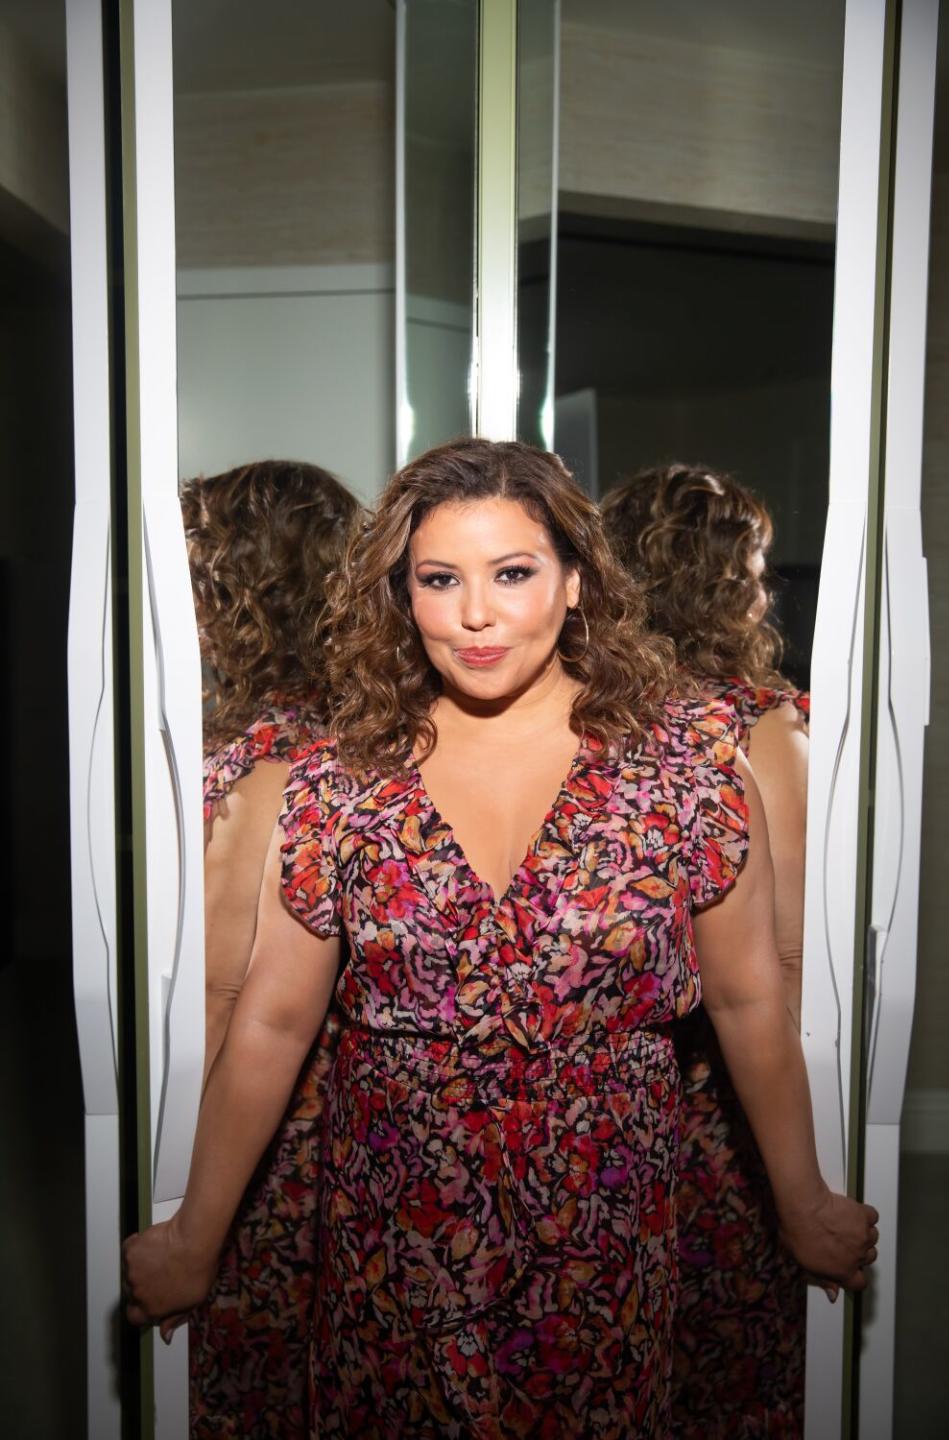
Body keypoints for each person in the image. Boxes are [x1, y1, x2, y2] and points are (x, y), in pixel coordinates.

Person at [125, 439, 877, 1439]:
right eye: (440, 579)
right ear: (402, 595)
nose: (476, 615)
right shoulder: (340, 780)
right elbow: (271, 1019)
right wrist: (194, 1234)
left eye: (512, 573)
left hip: (605, 1226)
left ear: (575, 583)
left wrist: (804, 1198)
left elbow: (747, 1003)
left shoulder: (689, 774)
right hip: (394, 1227)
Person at [602, 462, 813, 1437]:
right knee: (729, 1339)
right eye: (758, 569)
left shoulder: (581, 718)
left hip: (616, 1086)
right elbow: (786, 949)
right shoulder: (755, 727)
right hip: (729, 1083)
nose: (765, 592)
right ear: (726, 579)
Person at [180, 459, 359, 1437]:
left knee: (251, 1374)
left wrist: (165, 1165)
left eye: (198, 566)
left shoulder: (275, 757)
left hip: (261, 1128)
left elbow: (220, 989)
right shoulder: (346, 727)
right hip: (324, 1110)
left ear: (242, 585)